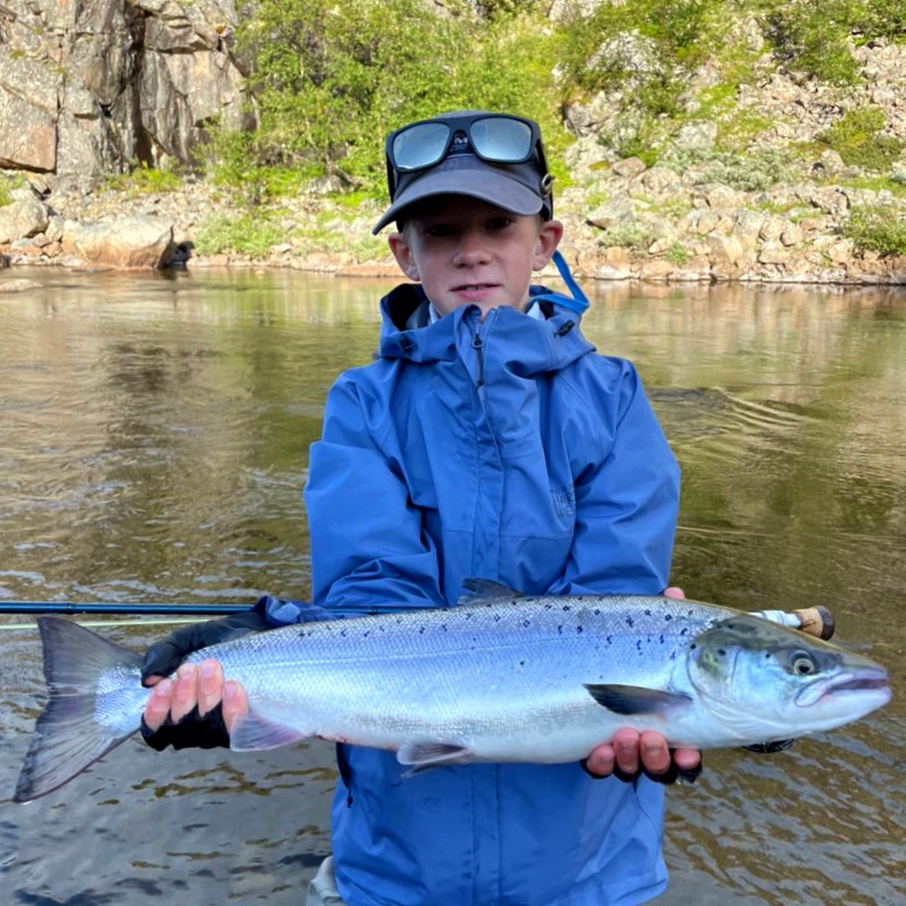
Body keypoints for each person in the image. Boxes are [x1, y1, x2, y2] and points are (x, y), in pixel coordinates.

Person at [141, 110, 700, 906]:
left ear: (545, 242)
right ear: (406, 255)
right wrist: (260, 645)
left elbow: (614, 602)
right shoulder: (362, 404)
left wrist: (695, 708)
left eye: (498, 225)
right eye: (441, 232)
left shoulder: (615, 398)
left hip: (590, 869)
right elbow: (371, 596)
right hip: (395, 865)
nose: (471, 250)